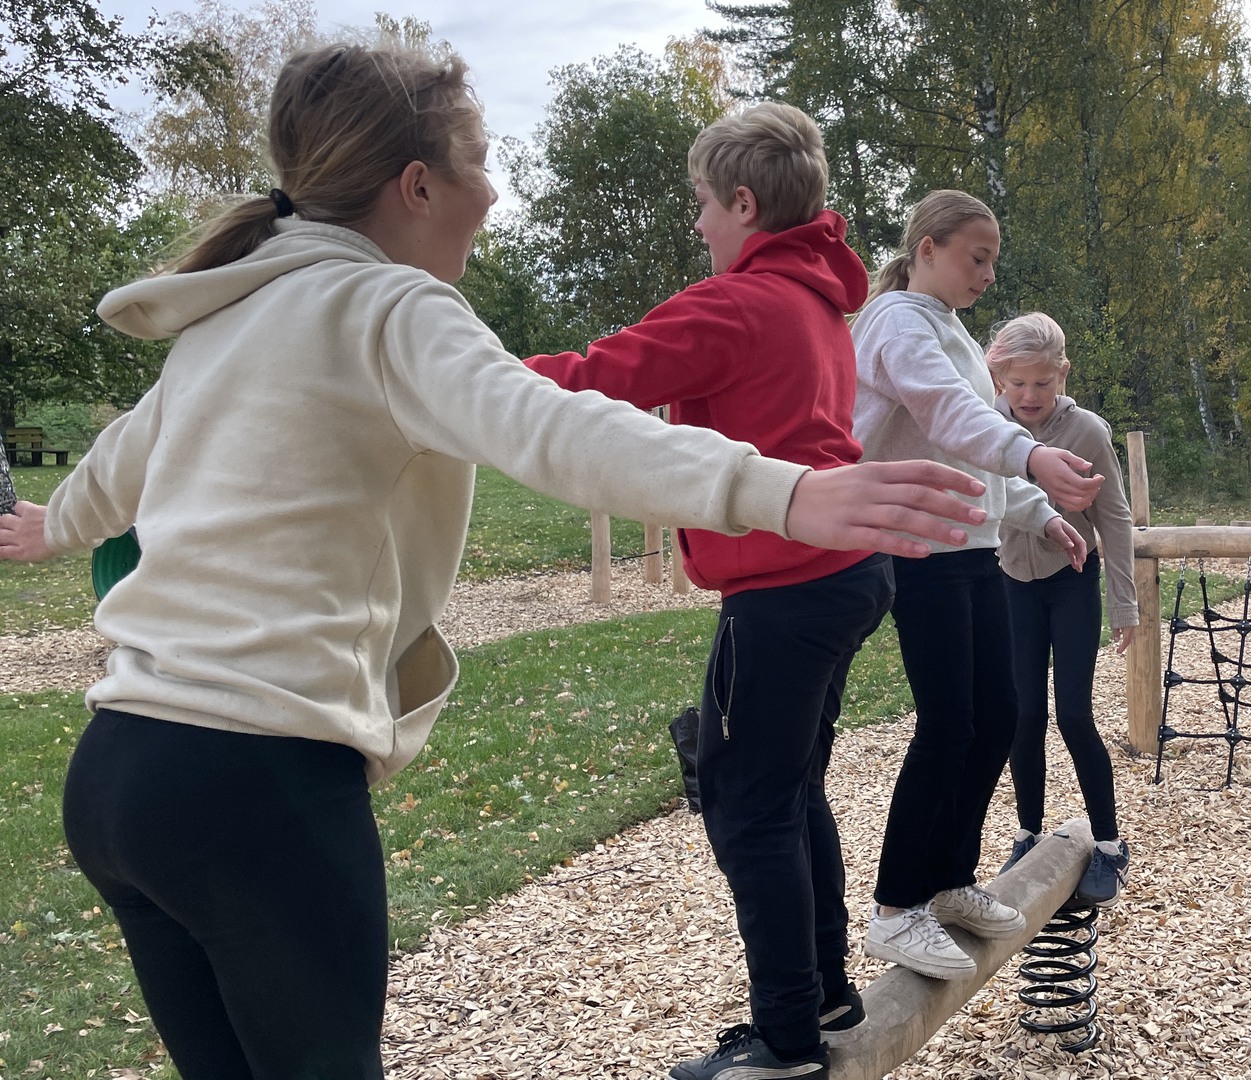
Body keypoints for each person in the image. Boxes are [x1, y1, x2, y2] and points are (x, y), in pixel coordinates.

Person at [0, 44, 984, 1080]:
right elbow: (554, 427)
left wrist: (46, 524)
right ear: (416, 185)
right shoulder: (392, 307)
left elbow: (119, 462)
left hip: (117, 778)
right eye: (478, 158)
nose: (493, 187)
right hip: (255, 783)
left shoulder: (228, 314)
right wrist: (786, 489)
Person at [523, 102, 890, 1080]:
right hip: (844, 576)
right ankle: (822, 990)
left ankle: (784, 1042)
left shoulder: (735, 303)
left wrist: (461, 385)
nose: (698, 227)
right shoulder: (817, 304)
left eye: (701, 206)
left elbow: (597, 380)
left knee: (743, 804)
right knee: (788, 785)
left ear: (742, 200)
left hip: (786, 589)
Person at [851, 190, 1103, 981]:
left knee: (999, 716)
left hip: (972, 548)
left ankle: (950, 881)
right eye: (977, 257)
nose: (989, 274)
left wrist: (1035, 512)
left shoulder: (949, 327)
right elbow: (956, 418)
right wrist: (1031, 459)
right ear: (927, 247)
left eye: (992, 259)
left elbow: (974, 450)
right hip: (918, 547)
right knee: (948, 724)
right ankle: (896, 907)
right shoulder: (896, 321)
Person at [987, 312, 1135, 905]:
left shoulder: (1088, 432)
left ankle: (1107, 843)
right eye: (1016, 383)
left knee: (1073, 714)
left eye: (1041, 384)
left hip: (1071, 580)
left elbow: (1115, 518)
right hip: (1010, 583)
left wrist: (1124, 602)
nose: (1028, 396)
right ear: (998, 378)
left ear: (1062, 375)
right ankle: (1027, 833)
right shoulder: (986, 428)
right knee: (1021, 716)